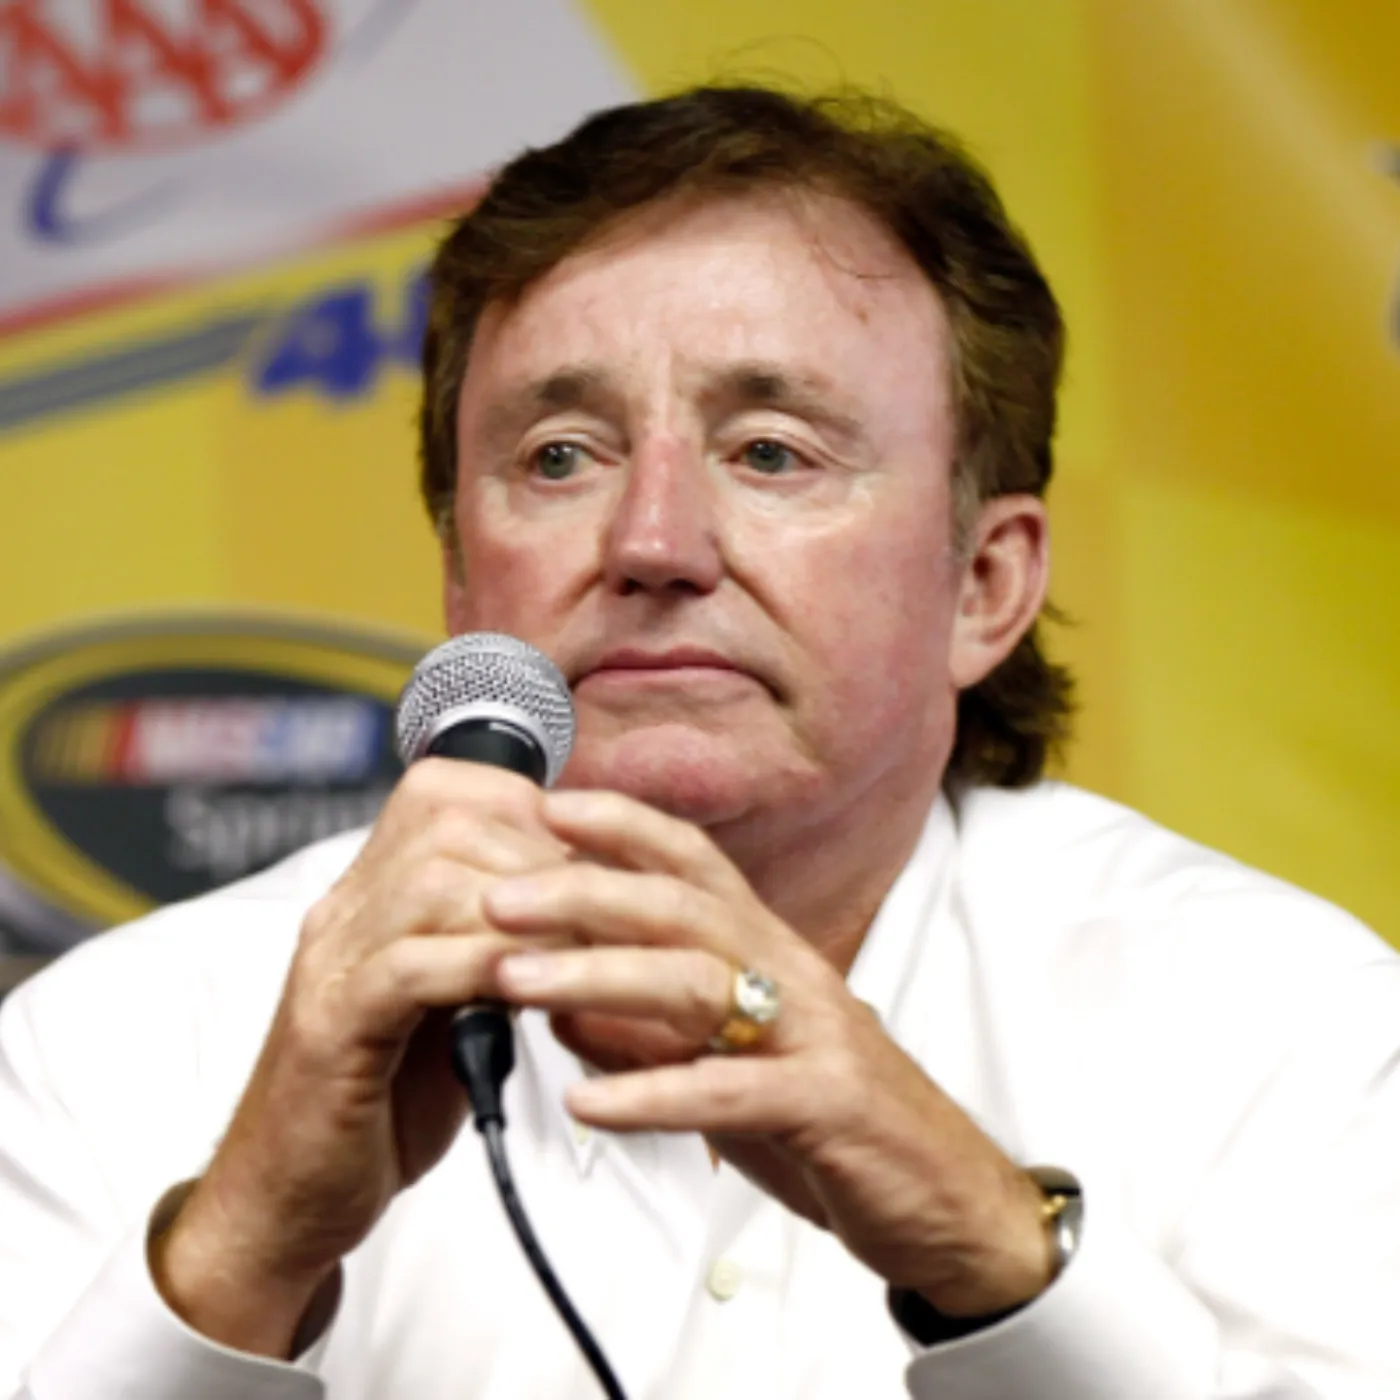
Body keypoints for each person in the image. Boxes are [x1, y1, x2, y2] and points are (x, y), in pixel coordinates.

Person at [3, 84, 1399, 1400]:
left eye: (772, 451)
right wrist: (242, 1248)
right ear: (462, 583)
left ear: (984, 584)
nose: (653, 541)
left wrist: (993, 1247)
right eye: (560, 456)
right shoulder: (122, 1043)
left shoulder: (1279, 1024)